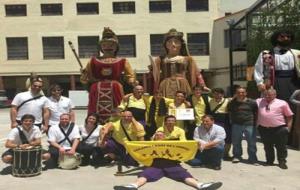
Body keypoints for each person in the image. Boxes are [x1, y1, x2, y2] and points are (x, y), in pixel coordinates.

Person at [113, 130, 223, 190]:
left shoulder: (172, 143)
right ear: (154, 137)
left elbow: (187, 145)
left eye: (161, 135)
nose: (159, 136)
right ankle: (133, 186)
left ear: (164, 137)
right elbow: (136, 147)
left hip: (172, 164)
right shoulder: (149, 143)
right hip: (155, 164)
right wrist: (127, 144)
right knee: (144, 175)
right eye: (157, 135)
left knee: (184, 175)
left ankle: (200, 186)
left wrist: (196, 144)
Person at [80, 27, 136, 124]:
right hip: (96, 89)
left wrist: (132, 80)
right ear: (100, 47)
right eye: (104, 44)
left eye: (111, 45)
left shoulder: (123, 61)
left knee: (117, 111)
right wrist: (84, 75)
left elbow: (130, 75)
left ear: (116, 47)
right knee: (95, 113)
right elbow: (86, 78)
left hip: (115, 89)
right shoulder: (93, 60)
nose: (108, 47)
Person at [151, 28, 207, 99]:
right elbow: (154, 74)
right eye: (170, 42)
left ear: (181, 44)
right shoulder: (160, 59)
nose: (173, 44)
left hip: (183, 85)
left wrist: (202, 85)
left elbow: (197, 73)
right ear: (166, 45)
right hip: (165, 86)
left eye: (176, 42)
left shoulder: (188, 59)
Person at [254, 30, 300, 100]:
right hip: (274, 82)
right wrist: (259, 83)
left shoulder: (297, 53)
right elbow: (258, 70)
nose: (286, 38)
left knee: (294, 104)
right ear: (276, 38)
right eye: (282, 36)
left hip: (294, 82)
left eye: (288, 37)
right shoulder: (265, 54)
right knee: (274, 104)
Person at [256, 89, 293, 169]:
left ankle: (282, 161)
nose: (267, 96)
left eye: (269, 95)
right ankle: (269, 161)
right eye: (266, 94)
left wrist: (288, 128)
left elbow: (289, 116)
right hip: (264, 128)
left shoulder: (282, 103)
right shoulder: (259, 101)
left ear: (275, 95)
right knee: (267, 146)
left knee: (281, 146)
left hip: (279, 129)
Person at [228, 87, 258, 164]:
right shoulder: (232, 102)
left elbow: (256, 113)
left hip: (249, 124)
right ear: (236, 93)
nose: (241, 94)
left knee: (251, 143)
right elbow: (230, 112)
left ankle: (252, 158)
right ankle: (237, 156)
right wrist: (232, 121)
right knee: (236, 142)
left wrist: (256, 123)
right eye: (239, 92)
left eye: (242, 92)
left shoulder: (252, 102)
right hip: (236, 124)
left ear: (246, 93)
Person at [208, 88, 231, 159]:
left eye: (219, 93)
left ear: (222, 94)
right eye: (215, 93)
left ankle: (226, 154)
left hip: (225, 121)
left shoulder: (228, 100)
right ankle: (214, 153)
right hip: (214, 121)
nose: (217, 95)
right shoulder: (210, 100)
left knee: (228, 138)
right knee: (213, 138)